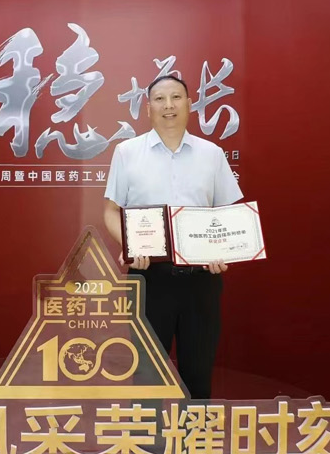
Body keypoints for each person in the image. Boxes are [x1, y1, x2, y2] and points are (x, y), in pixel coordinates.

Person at [102, 72, 242, 400]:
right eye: (160, 99)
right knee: (147, 375)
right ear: (148, 107)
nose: (169, 105)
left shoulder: (211, 154)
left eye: (176, 97)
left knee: (198, 374)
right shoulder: (127, 152)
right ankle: (148, 434)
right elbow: (110, 211)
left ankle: (196, 433)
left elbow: (229, 213)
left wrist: (224, 251)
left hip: (202, 279)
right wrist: (129, 245)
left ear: (190, 104)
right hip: (149, 278)